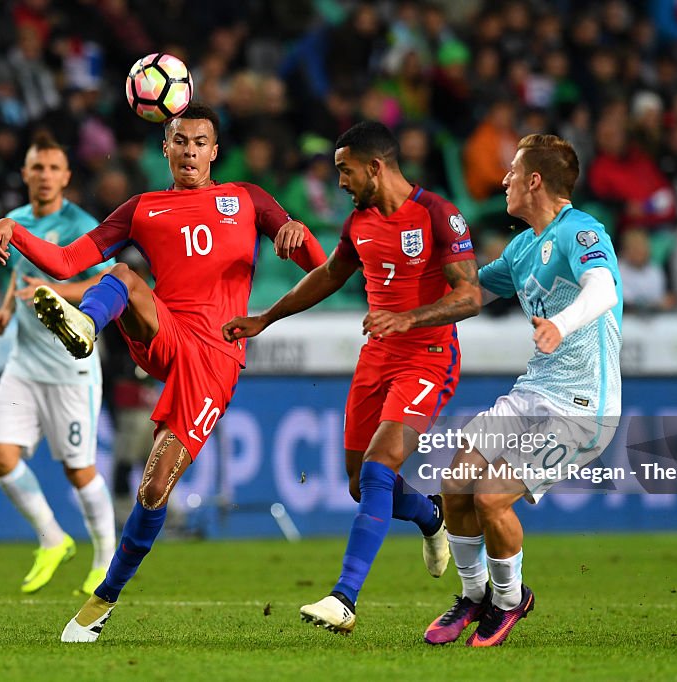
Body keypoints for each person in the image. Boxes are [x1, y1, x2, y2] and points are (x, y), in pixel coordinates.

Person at [0, 102, 326, 642]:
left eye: (199, 142)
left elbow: (321, 267)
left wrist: (298, 235)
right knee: (123, 272)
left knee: (153, 491)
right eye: (179, 141)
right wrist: (13, 228)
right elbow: (70, 261)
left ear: (215, 151)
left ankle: (102, 602)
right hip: (164, 333)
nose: (189, 151)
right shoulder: (142, 208)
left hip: (215, 355)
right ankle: (85, 325)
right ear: (164, 149)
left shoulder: (248, 199)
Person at [223, 121, 481, 634]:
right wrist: (264, 318)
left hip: (428, 356)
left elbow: (470, 296)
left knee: (381, 465)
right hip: (376, 358)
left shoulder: (438, 214)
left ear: (375, 167)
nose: (339, 181)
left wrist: (410, 317)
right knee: (361, 484)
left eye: (345, 170)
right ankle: (432, 517)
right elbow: (329, 275)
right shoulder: (359, 221)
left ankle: (345, 598)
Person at [423, 134, 622, 648]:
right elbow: (468, 295)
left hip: (583, 405)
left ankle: (510, 602)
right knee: (457, 481)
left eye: (512, 171)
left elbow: (602, 289)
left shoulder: (582, 231)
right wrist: (403, 300)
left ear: (534, 180)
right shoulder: (522, 247)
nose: (504, 180)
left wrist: (561, 321)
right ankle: (473, 596)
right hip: (535, 390)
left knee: (492, 499)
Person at [0, 133, 116, 597]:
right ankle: (54, 538)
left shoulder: (82, 225)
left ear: (66, 176)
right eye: (36, 168)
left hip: (69, 368)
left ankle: (105, 558)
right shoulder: (15, 222)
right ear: (24, 174)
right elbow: (22, 275)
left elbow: (109, 279)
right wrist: (5, 309)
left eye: (53, 168)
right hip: (24, 363)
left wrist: (60, 290)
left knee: (79, 472)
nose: (44, 176)